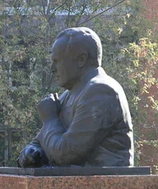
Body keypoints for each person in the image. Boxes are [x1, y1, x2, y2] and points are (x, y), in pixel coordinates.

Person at [18, 27, 134, 168]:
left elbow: (66, 154)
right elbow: (42, 140)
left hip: (102, 184)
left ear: (81, 59)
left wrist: (49, 118)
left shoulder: (101, 92)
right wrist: (31, 153)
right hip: (78, 181)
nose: (52, 69)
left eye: (57, 61)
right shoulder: (70, 94)